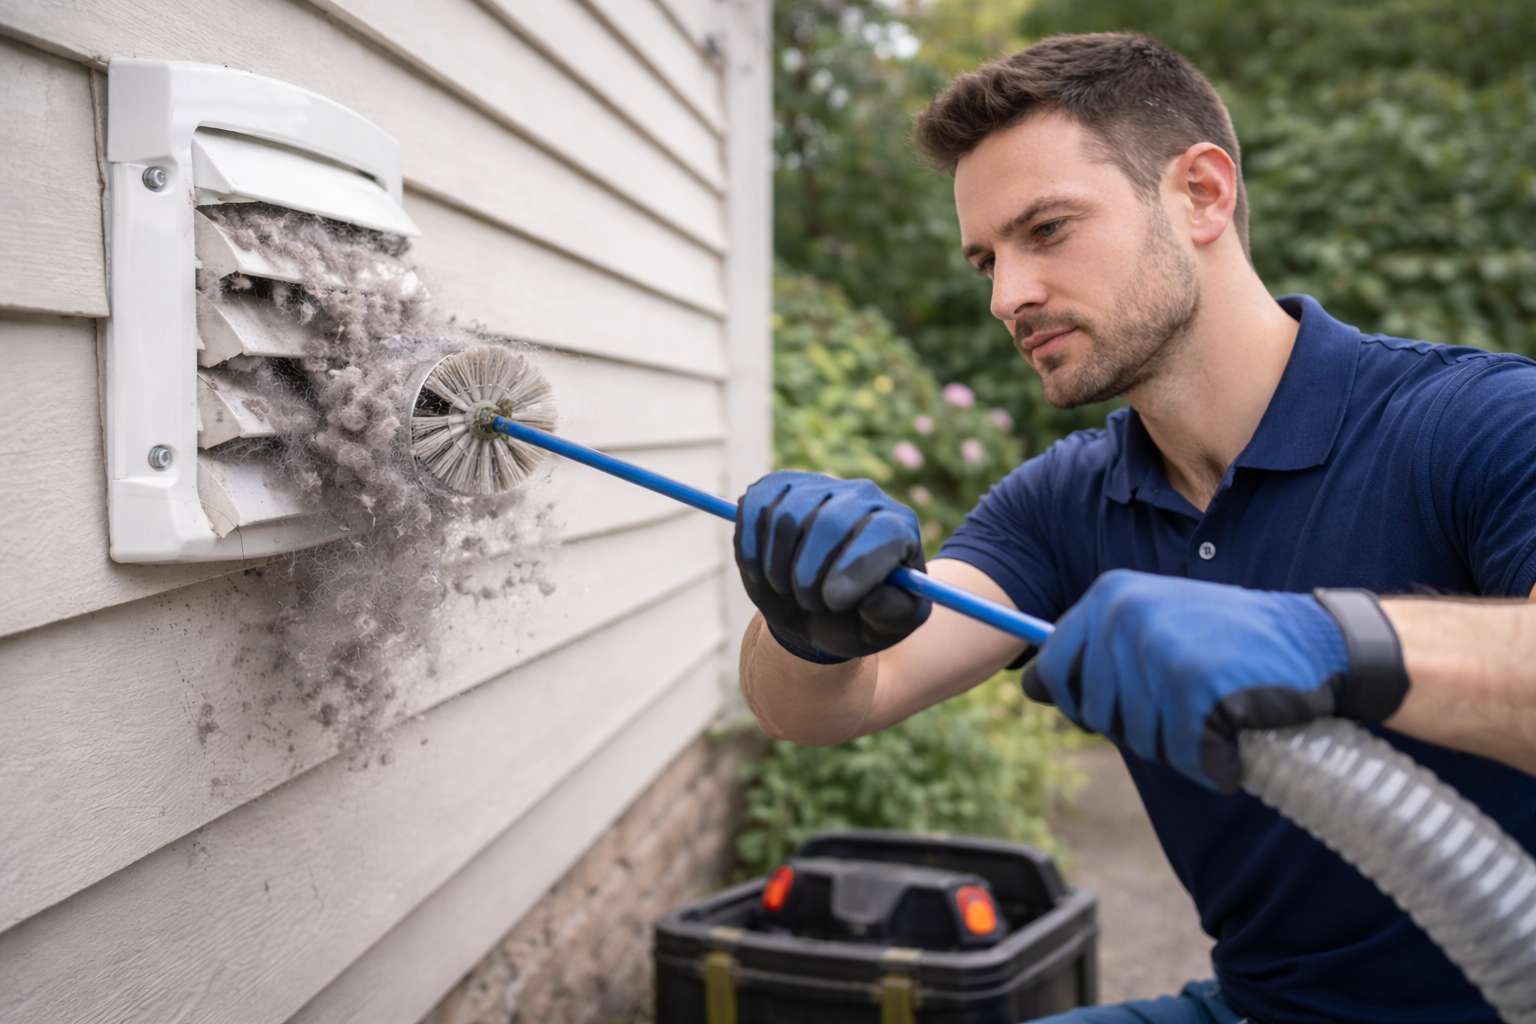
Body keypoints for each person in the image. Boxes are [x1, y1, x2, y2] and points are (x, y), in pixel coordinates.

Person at [733, 31, 1536, 1024]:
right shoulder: (1065, 502)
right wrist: (807, 623)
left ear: (1202, 193)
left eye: (1047, 229)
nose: (1007, 296)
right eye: (987, 260)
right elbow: (829, 707)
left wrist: (1330, 642)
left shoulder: (1474, 423)